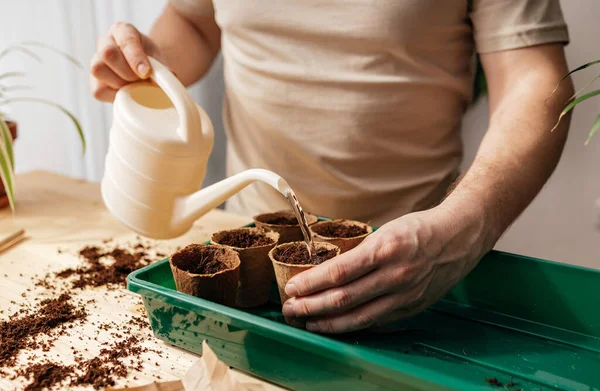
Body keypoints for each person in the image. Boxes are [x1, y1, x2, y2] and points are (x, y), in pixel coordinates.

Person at [90, 1, 574, 334]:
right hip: (243, 260)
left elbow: (533, 79)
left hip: (416, 270)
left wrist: (463, 226)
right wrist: (153, 62)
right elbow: (195, 21)